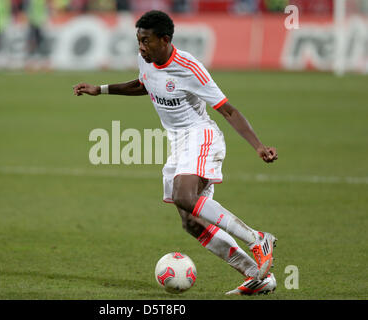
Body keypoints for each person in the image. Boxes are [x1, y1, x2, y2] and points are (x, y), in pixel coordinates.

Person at [73, 10, 279, 295]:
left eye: (146, 41)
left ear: (165, 39)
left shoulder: (189, 67)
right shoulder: (145, 59)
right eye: (138, 41)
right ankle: (256, 275)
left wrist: (258, 145)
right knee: (191, 222)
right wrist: (101, 89)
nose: (141, 47)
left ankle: (257, 238)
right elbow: (144, 84)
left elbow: (228, 110)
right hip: (178, 144)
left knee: (184, 195)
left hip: (201, 135)